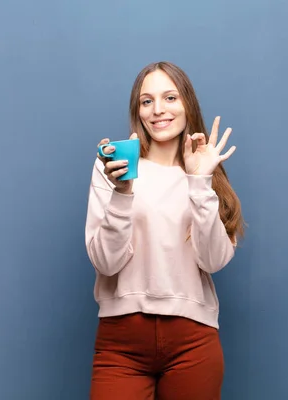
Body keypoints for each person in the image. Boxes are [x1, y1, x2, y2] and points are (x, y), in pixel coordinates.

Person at [84, 61, 245, 400]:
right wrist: (123, 192)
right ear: (137, 110)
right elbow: (106, 263)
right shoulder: (113, 171)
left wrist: (199, 182)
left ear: (188, 104)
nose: (158, 110)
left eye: (170, 98)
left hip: (193, 342)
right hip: (121, 342)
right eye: (147, 101)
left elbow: (213, 260)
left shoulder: (206, 171)